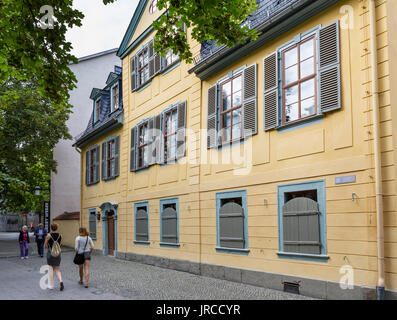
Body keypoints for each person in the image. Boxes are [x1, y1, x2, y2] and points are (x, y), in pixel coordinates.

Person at [44, 223, 64, 291]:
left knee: (51, 269)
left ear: (51, 228)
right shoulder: (60, 235)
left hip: (50, 253)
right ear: (57, 228)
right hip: (58, 254)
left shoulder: (48, 235)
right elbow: (60, 244)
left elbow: (45, 246)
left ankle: (51, 285)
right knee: (57, 269)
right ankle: (61, 281)